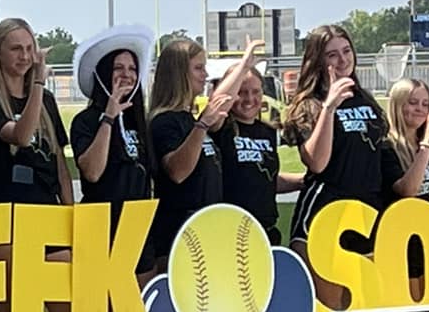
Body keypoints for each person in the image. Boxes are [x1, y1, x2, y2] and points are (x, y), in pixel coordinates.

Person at [282, 23, 392, 312]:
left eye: (346, 51)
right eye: (332, 55)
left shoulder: (365, 99)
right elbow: (317, 162)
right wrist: (329, 107)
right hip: (324, 218)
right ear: (318, 60)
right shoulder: (310, 103)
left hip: (365, 216)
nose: (343, 60)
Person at [145, 37, 233, 274]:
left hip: (206, 228)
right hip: (178, 233)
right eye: (198, 68)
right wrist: (202, 125)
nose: (204, 75)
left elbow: (225, 101)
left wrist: (245, 65)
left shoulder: (189, 119)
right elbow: (178, 172)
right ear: (178, 73)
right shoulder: (164, 121)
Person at [69, 24, 154, 256]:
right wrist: (109, 118)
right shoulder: (85, 121)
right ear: (105, 73)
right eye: (118, 68)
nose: (126, 74)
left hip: (137, 226)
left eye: (132, 68)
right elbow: (92, 172)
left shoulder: (140, 122)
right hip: (100, 226)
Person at [0, 17, 72, 210]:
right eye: (16, 49)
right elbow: (21, 136)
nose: (25, 56)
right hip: (7, 211)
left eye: (29, 48)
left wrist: (70, 209)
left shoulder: (46, 99)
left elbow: (60, 163)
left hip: (48, 208)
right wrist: (38, 82)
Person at [217, 67, 301, 247]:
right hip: (231, 228)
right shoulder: (220, 128)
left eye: (255, 91)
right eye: (241, 92)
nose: (249, 99)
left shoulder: (268, 132)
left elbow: (266, 178)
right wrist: (245, 63)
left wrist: (303, 180)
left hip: (266, 229)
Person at [385, 77, 429, 302]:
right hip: (405, 247)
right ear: (398, 104)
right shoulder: (387, 146)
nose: (420, 109)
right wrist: (427, 146)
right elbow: (408, 189)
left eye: (425, 104)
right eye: (413, 102)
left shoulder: (428, 147)